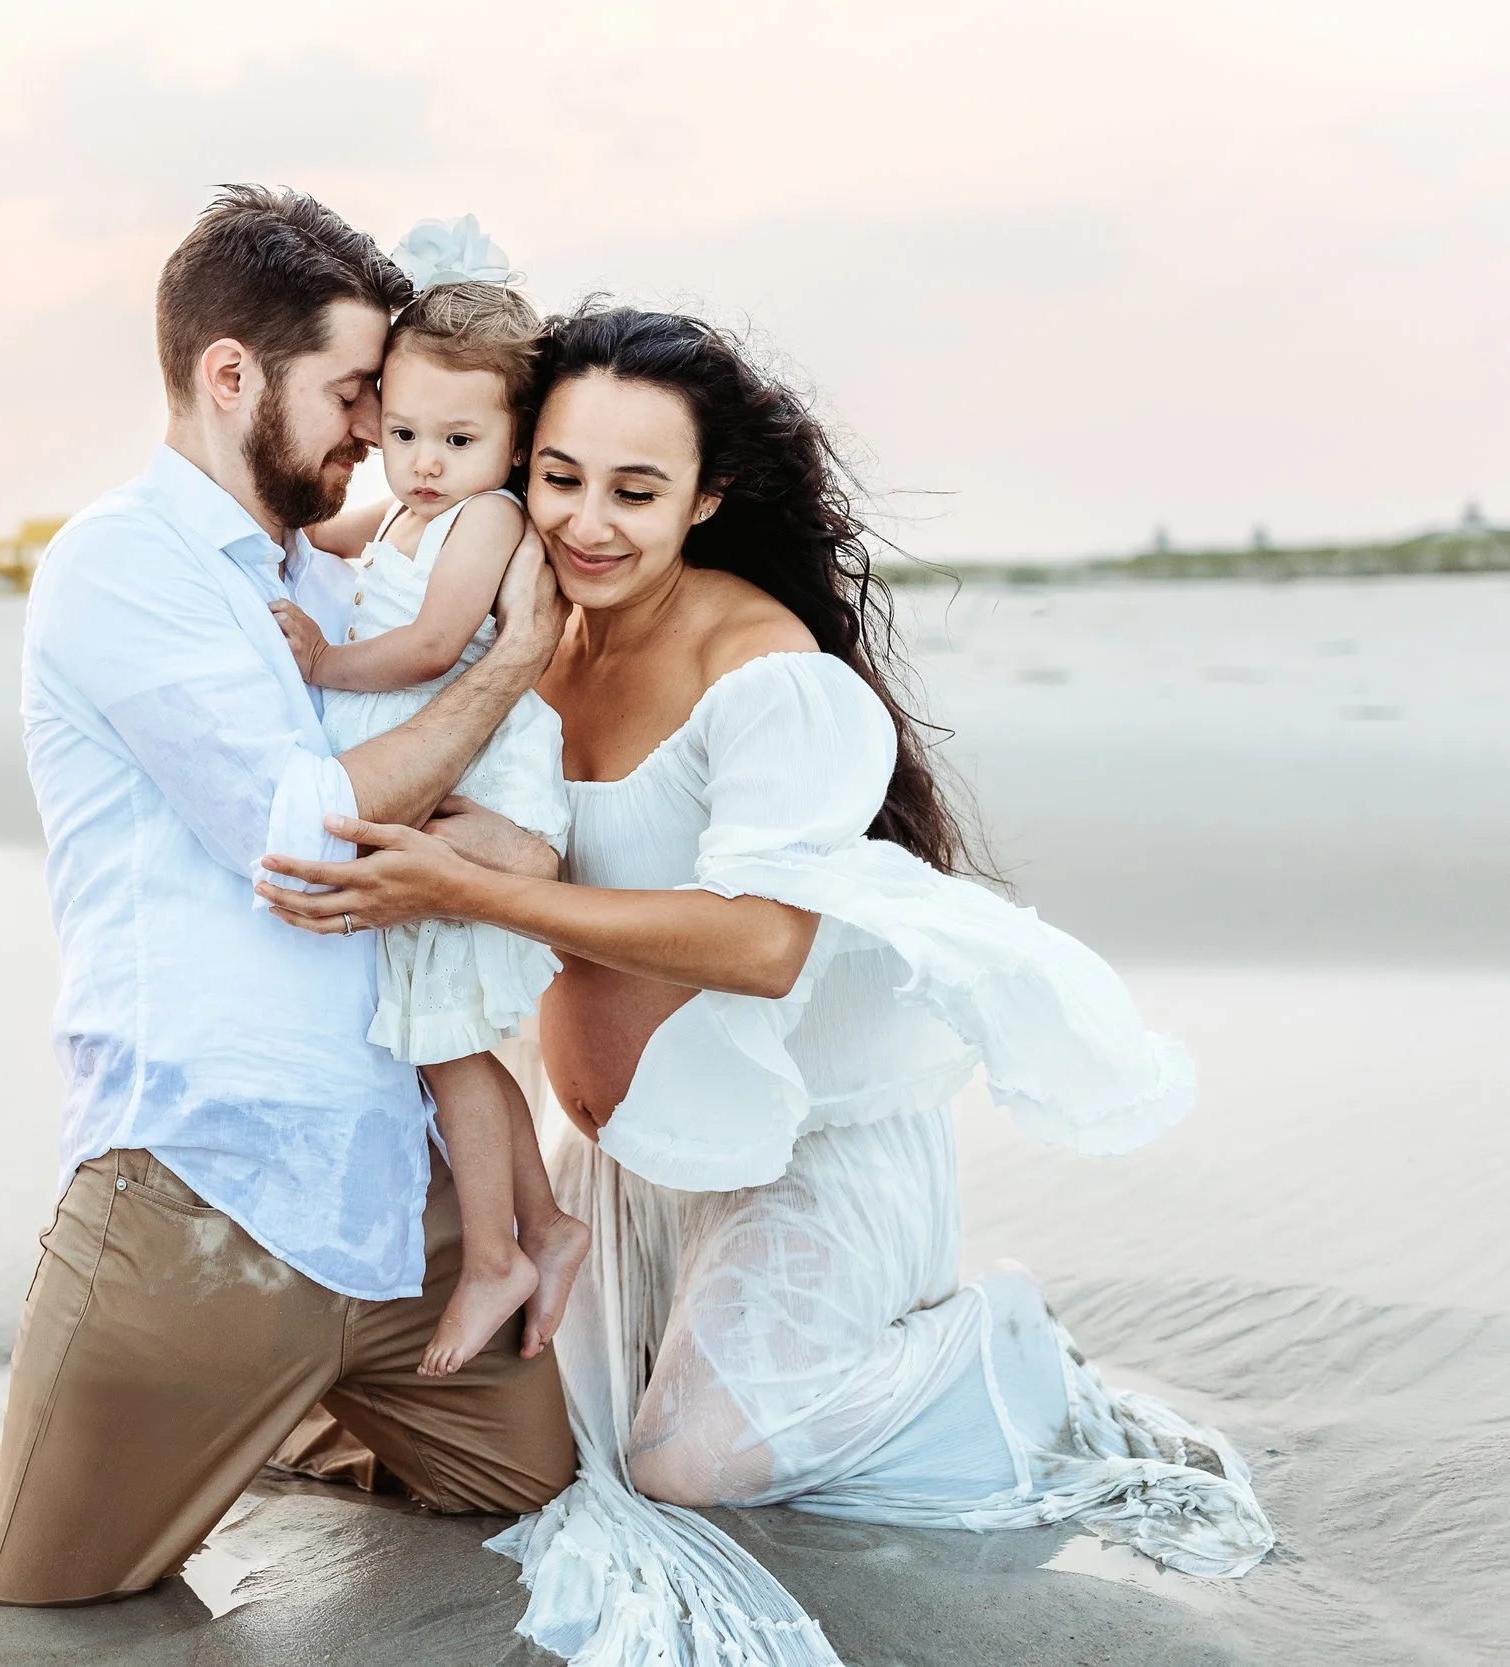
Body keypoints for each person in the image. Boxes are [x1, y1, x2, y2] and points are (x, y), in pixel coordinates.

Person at [258, 303, 1275, 1663]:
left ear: (709, 496)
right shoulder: (522, 619)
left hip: (805, 1152)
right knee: (504, 1445)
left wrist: (467, 887)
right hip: (628, 1162)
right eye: (559, 477)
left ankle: (995, 1355)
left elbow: (763, 942)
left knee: (685, 1463)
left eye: (637, 490)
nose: (589, 522)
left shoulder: (761, 668)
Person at [0, 186, 576, 1608]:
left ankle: (275, 1410)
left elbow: (478, 826)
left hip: (404, 1191)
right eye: (353, 393)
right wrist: (507, 667)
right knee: (26, 1575)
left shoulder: (336, 578)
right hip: (204, 1183)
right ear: (232, 375)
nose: (374, 433)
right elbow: (306, 836)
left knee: (525, 1486)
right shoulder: (120, 563)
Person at [269, 226, 589, 1379]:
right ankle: (543, 1224)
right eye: (401, 432)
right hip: (431, 774)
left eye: (458, 439)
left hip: (475, 783)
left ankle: (495, 1251)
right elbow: (325, 530)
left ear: (512, 443)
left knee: (445, 1045)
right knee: (446, 1039)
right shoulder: (406, 506)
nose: (422, 461)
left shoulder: (486, 518)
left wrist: (317, 661)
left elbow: (430, 644)